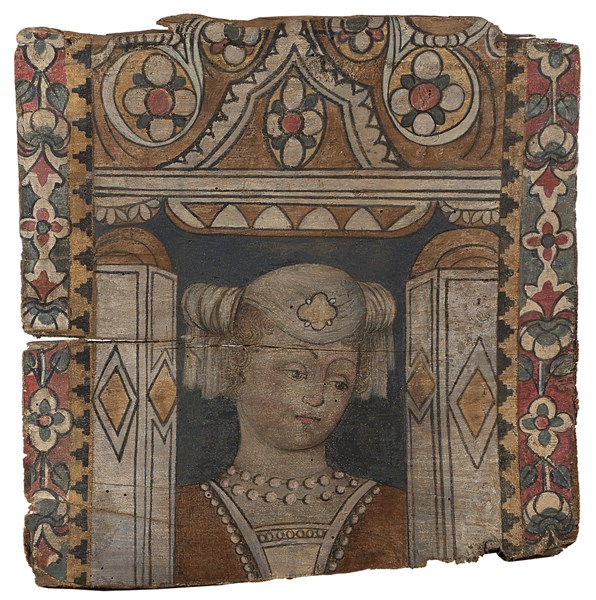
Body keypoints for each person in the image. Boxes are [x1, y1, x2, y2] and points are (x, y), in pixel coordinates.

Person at [175, 264, 408, 584]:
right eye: (296, 373)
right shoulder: (181, 512)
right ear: (236, 369)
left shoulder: (393, 509)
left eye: (339, 382)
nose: (317, 397)